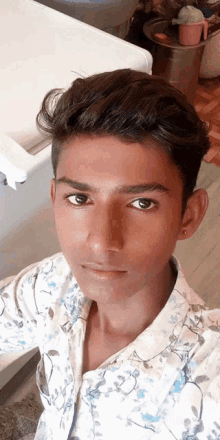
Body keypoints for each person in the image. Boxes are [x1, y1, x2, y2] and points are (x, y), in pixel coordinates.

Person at [1, 69, 220, 440]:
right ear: (55, 200)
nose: (102, 243)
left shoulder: (207, 383)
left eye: (141, 202)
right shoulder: (52, 282)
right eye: (80, 198)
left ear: (189, 215)